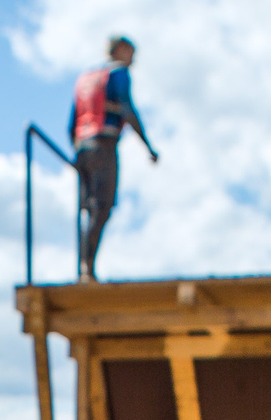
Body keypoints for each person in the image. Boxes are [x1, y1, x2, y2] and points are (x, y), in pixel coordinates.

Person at [70, 36, 157, 282]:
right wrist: (148, 146)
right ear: (120, 50)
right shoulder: (119, 74)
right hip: (104, 145)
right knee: (102, 207)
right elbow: (128, 110)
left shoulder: (85, 80)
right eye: (131, 53)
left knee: (88, 208)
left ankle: (84, 268)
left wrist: (77, 153)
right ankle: (87, 268)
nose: (133, 60)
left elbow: (71, 123)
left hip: (82, 149)